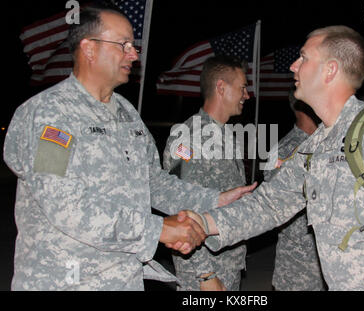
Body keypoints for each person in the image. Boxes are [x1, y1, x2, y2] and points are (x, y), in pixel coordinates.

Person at [3, 4, 254, 291]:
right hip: (65, 280)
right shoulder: (50, 115)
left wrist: (213, 200)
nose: (134, 54)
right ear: (89, 49)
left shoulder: (126, 114)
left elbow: (153, 182)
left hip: (123, 278)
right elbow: (64, 204)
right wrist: (158, 229)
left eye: (133, 46)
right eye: (123, 45)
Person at [182, 25, 364, 290]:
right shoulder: (316, 145)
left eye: (303, 58)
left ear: (330, 70)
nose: (293, 66)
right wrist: (202, 223)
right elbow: (269, 204)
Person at [163, 55, 250, 291]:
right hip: (205, 273)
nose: (247, 95)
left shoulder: (224, 135)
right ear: (221, 87)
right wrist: (205, 275)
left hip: (227, 265)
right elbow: (181, 210)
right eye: (242, 88)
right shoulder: (190, 137)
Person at [264, 90, 325, 291]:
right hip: (298, 263)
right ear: (304, 107)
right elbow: (273, 203)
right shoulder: (283, 150)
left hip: (327, 258)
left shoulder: (325, 143)